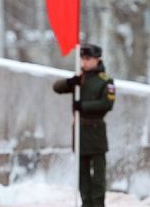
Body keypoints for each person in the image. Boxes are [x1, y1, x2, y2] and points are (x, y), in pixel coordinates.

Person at [52, 43, 116, 207]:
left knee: (98, 177)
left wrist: (84, 106)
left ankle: (98, 203)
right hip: (80, 132)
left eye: (88, 59)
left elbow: (106, 104)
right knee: (83, 176)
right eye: (83, 59)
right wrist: (70, 82)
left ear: (97, 59)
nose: (84, 62)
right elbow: (56, 88)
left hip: (96, 133)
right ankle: (86, 203)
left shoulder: (105, 81)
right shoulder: (80, 79)